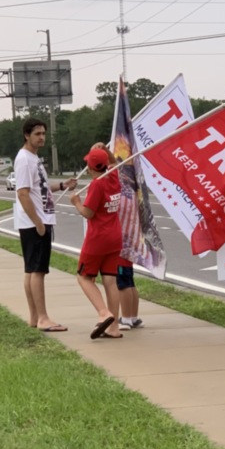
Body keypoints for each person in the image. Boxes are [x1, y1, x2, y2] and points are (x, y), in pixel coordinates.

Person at [14, 117, 77, 332]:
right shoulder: (24, 159)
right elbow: (22, 193)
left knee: (31, 270)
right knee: (38, 271)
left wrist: (62, 185)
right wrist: (38, 222)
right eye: (37, 134)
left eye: (43, 134)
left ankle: (34, 317)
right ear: (27, 135)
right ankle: (43, 318)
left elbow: (39, 187)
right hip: (34, 222)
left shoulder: (34, 159)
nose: (42, 138)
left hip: (38, 220)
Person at [70, 145, 124, 340]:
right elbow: (115, 163)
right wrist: (105, 150)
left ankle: (103, 313)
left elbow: (88, 213)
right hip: (115, 236)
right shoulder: (113, 177)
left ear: (92, 168)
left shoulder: (97, 184)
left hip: (97, 238)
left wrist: (76, 202)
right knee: (110, 280)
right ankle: (114, 326)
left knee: (83, 277)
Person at [117, 258, 144, 330]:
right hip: (127, 259)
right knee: (131, 285)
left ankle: (126, 319)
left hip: (120, 259)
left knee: (123, 286)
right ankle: (133, 318)